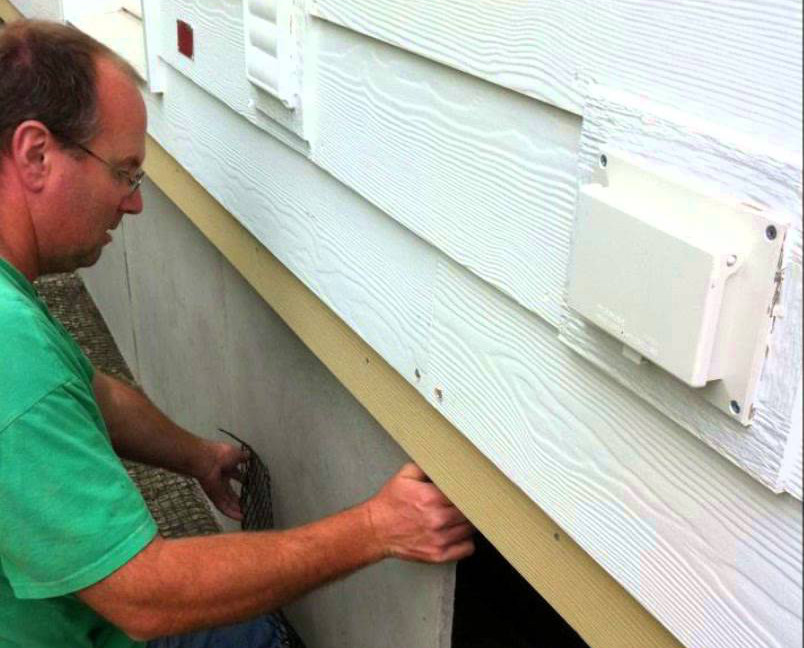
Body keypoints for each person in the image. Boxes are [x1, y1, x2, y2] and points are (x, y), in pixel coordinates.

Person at [0, 19, 475, 648]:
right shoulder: (13, 356)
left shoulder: (18, 317)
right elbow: (143, 594)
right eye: (124, 173)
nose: (134, 203)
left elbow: (92, 393)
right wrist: (376, 528)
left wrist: (196, 456)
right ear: (36, 154)